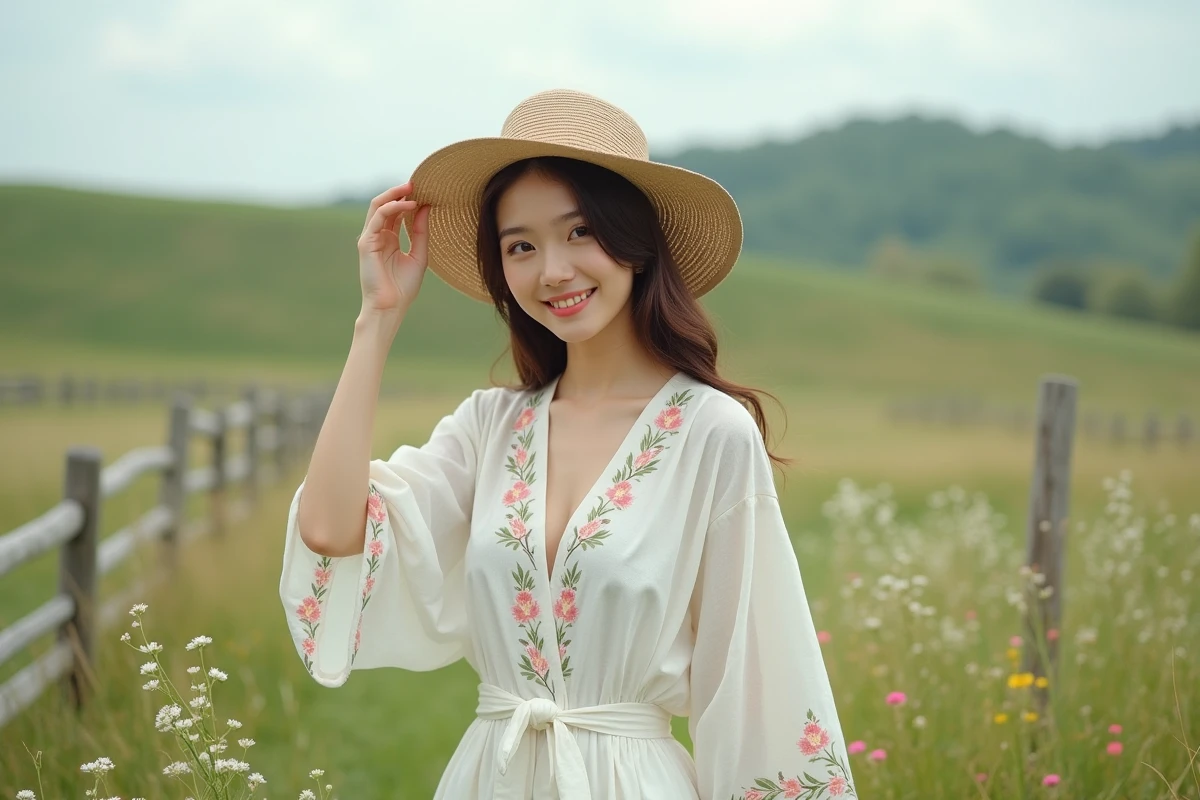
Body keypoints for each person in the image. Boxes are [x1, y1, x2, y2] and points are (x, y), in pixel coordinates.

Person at [279, 88, 856, 800]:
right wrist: (377, 318)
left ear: (635, 244)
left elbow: (755, 679)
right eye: (521, 245)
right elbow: (331, 530)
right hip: (491, 776)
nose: (552, 270)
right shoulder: (491, 428)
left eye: (579, 232)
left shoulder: (711, 434)